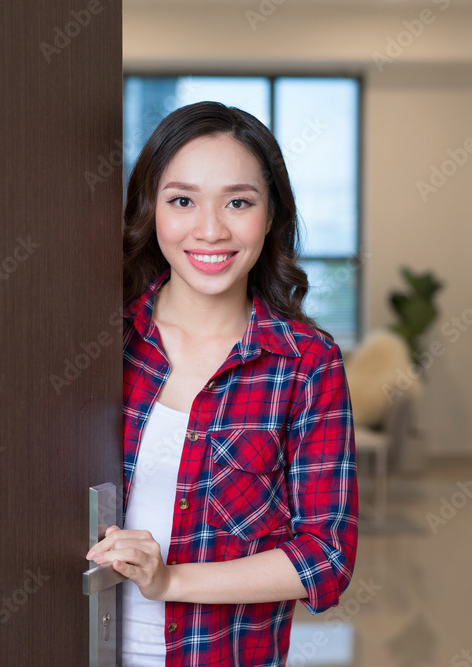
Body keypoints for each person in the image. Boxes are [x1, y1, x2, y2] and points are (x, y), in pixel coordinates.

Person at [85, 101, 359, 666]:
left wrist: (170, 581)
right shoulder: (96, 342)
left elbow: (324, 558)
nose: (210, 229)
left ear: (271, 216)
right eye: (182, 200)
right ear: (149, 210)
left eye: (238, 202)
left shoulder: (307, 364)